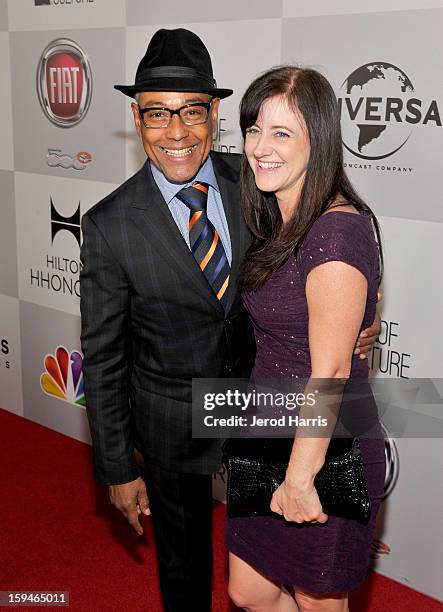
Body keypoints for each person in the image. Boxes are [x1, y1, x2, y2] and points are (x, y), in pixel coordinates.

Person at [80, 29, 380, 611]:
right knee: (190, 569)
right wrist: (117, 467)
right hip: (174, 424)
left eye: (192, 110)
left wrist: (352, 322)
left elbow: (328, 242)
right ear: (136, 119)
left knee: (285, 581)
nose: (176, 131)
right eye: (157, 114)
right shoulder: (109, 224)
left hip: (270, 416)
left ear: (214, 113)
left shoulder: (259, 179)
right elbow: (104, 354)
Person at [226, 66, 386, 612]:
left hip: (323, 445)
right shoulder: (279, 212)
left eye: (281, 134)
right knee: (247, 592)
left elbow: (332, 372)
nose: (261, 148)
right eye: (254, 130)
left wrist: (299, 478)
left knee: (317, 598)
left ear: (318, 141)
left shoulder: (334, 231)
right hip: (266, 423)